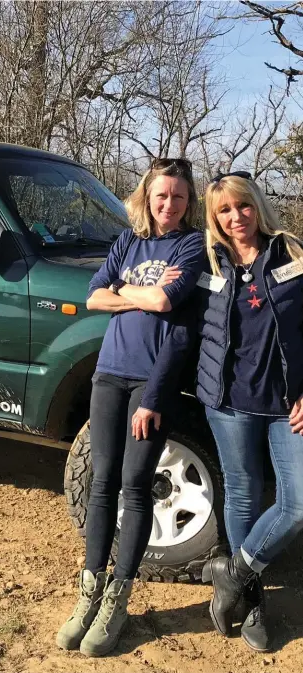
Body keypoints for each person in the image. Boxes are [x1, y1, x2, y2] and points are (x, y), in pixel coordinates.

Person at [55, 158, 205, 657]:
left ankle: (118, 596)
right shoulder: (127, 242)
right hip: (108, 375)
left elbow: (169, 308)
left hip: (148, 383)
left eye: (179, 197)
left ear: (188, 202)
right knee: (101, 482)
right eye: (161, 195)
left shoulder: (190, 246)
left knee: (137, 485)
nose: (169, 204)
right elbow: (93, 297)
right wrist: (132, 294)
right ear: (147, 196)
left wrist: (124, 291)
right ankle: (89, 591)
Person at [197, 171, 303, 653]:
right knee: (241, 495)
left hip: (287, 406)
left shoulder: (293, 254)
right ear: (214, 218)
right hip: (228, 403)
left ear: (257, 206)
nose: (235, 217)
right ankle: (252, 600)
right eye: (224, 210)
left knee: (297, 504)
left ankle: (234, 574)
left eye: (242, 206)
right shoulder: (207, 262)